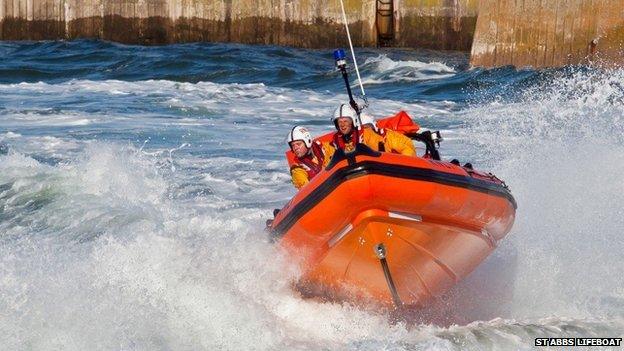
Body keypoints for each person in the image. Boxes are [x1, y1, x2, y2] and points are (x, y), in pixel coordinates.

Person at [331, 104, 416, 156]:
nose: (342, 125)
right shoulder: (336, 142)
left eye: (345, 121)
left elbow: (407, 148)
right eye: (339, 122)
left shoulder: (371, 135)